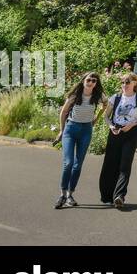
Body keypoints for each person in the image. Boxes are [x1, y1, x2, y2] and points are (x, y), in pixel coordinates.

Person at [54, 73, 104, 209]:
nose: (91, 82)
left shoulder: (97, 96)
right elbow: (63, 113)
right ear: (83, 81)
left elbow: (105, 105)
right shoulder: (75, 95)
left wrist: (96, 119)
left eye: (94, 81)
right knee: (68, 163)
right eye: (89, 80)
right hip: (70, 129)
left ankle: (70, 194)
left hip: (86, 130)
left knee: (78, 165)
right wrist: (61, 130)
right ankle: (62, 194)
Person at [98, 73, 137, 210]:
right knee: (110, 164)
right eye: (123, 82)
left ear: (134, 83)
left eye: (127, 82)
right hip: (115, 132)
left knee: (125, 165)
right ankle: (107, 196)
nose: (124, 85)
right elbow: (106, 116)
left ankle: (119, 196)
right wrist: (111, 126)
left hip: (131, 133)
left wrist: (132, 124)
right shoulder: (116, 97)